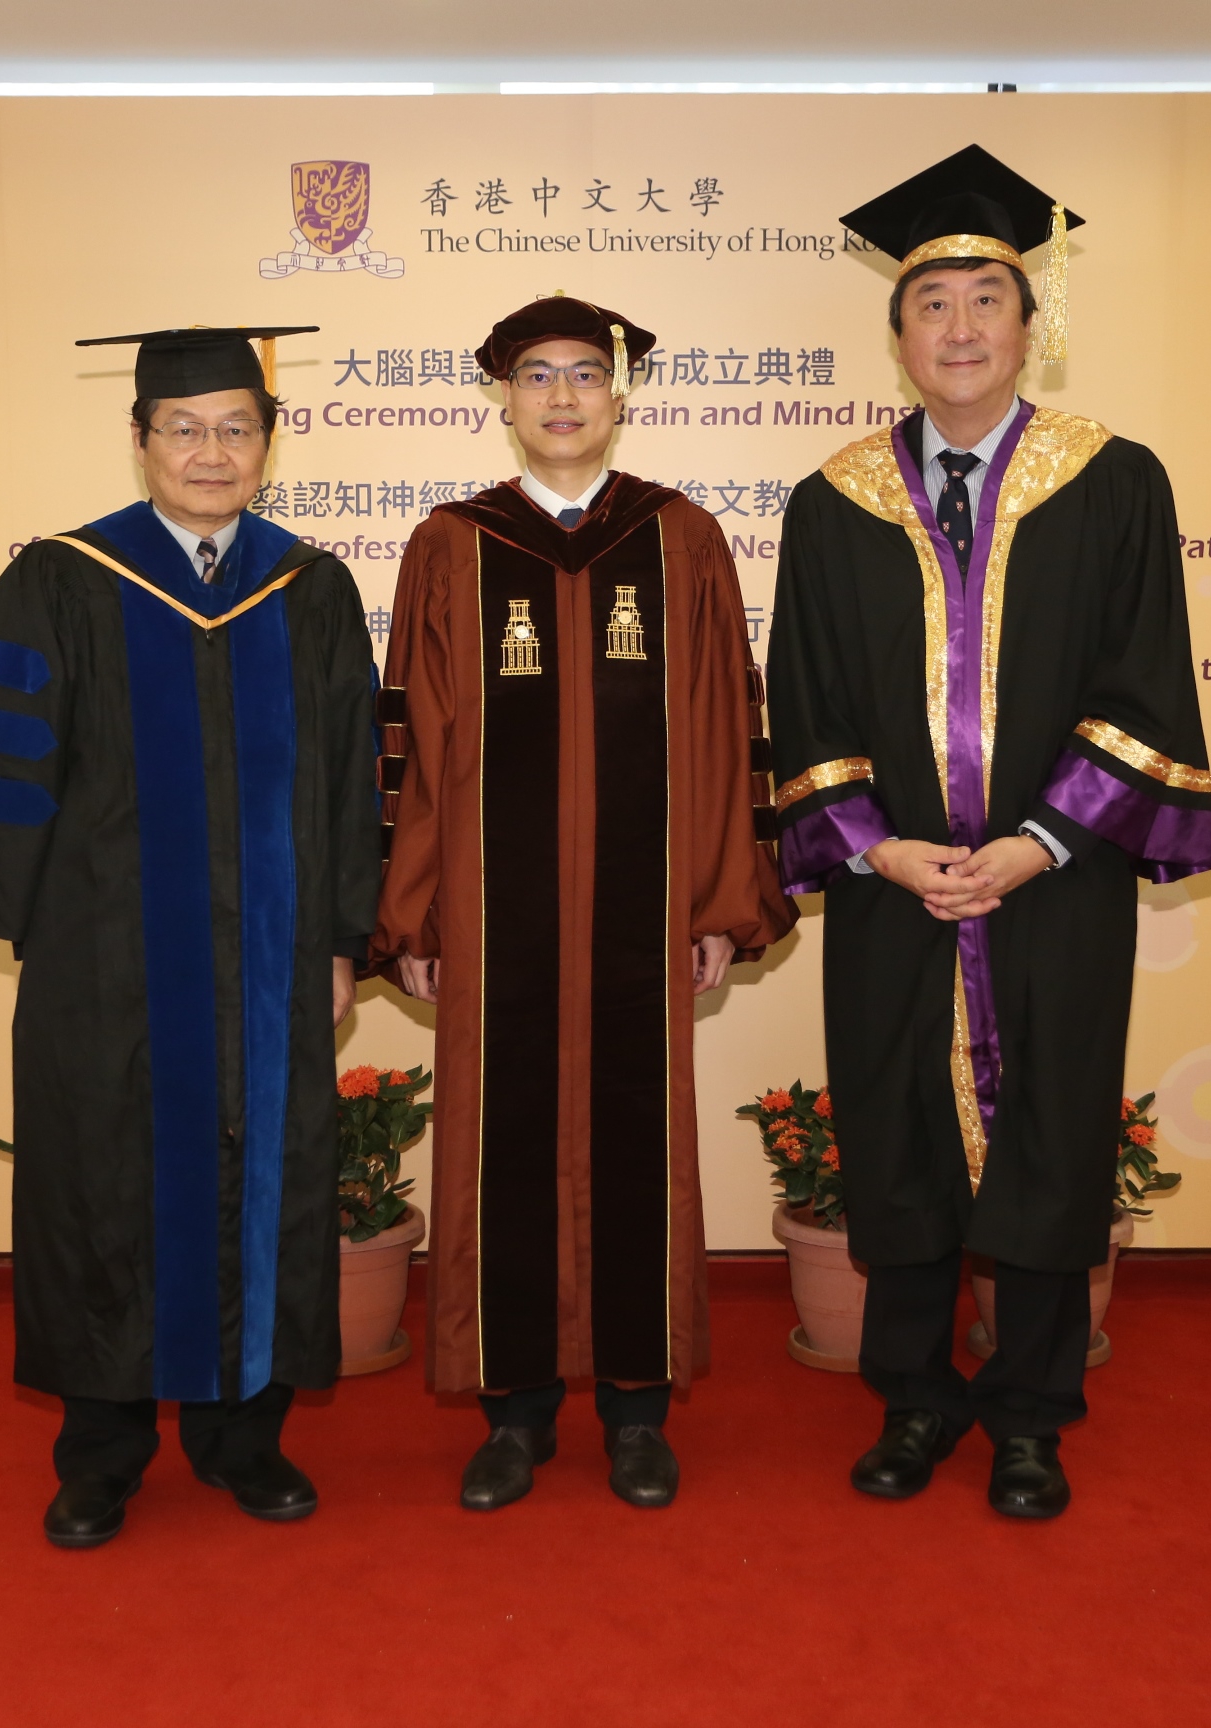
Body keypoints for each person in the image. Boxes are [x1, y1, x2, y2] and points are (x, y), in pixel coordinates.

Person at [766, 147, 1211, 1519]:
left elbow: (1145, 687)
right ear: (896, 333)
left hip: (1053, 886)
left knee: (1052, 1131)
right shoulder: (832, 501)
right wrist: (882, 848)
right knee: (897, 1134)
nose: (959, 329)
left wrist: (1036, 841)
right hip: (897, 885)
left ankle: (1031, 1412)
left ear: (1032, 325)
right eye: (931, 304)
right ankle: (913, 1402)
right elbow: (807, 702)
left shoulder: (1115, 483)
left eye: (985, 301)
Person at [0, 324, 383, 1549]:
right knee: (103, 1190)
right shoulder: (64, 580)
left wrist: (341, 938)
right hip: (109, 964)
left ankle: (246, 1439)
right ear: (138, 441)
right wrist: (39, 931)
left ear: (270, 446)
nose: (211, 450)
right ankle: (102, 1454)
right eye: (184, 427)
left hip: (274, 962)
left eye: (237, 427)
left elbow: (350, 782)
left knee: (263, 1187)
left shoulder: (311, 588)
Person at [375, 295, 794, 1511]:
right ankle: (511, 1414)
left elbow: (724, 727)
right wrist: (419, 913)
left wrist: (718, 899)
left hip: (641, 906)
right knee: (497, 1143)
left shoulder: (682, 540)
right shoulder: (450, 545)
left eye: (585, 376)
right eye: (536, 377)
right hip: (493, 917)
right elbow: (412, 740)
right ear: (502, 399)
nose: (562, 398)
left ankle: (635, 1408)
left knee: (635, 1137)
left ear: (621, 395)